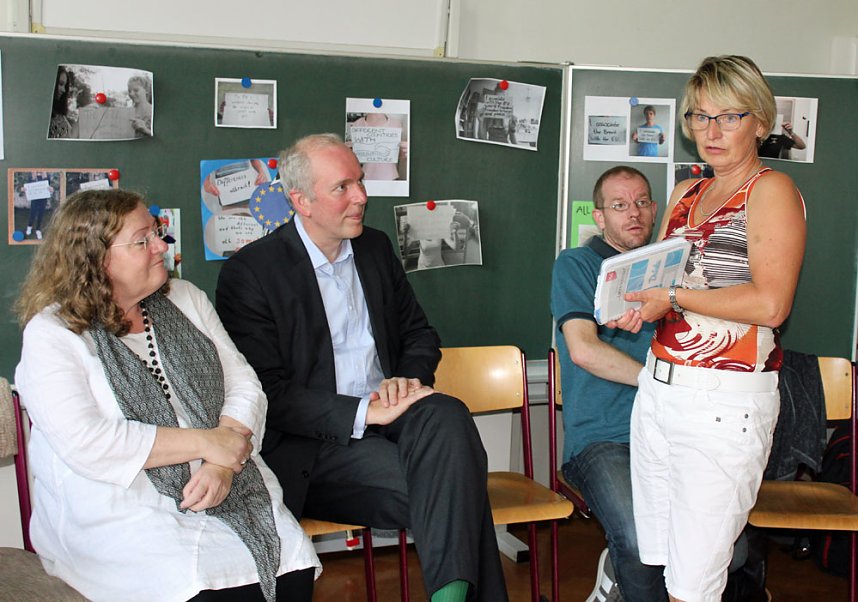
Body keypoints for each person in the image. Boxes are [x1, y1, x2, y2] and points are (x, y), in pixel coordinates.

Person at [216, 133, 508, 602]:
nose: (362, 197)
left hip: (395, 417)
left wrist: (404, 382)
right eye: (343, 187)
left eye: (361, 182)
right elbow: (267, 392)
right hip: (316, 446)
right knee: (457, 493)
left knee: (446, 412)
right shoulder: (250, 274)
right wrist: (362, 413)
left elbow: (419, 335)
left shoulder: (373, 248)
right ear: (301, 201)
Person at [15, 188, 319, 602]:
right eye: (143, 240)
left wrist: (223, 465)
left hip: (227, 479)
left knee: (292, 568)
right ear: (95, 258)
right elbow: (89, 442)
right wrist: (211, 443)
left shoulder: (187, 298)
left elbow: (245, 385)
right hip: (118, 506)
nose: (162, 245)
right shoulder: (53, 334)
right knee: (201, 588)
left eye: (157, 232)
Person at [611, 55, 806, 602]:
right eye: (699, 117)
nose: (710, 131)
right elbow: (670, 287)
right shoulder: (686, 193)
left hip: (723, 403)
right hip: (658, 390)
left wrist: (670, 296)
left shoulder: (771, 191)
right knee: (667, 563)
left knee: (694, 586)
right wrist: (641, 305)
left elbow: (771, 305)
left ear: (761, 122)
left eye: (728, 117)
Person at [551, 166, 667, 602]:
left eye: (641, 203)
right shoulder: (578, 265)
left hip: (671, 432)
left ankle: (617, 581)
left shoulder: (669, 270)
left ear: (654, 210)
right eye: (619, 205)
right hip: (603, 440)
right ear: (599, 217)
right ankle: (622, 570)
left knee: (731, 550)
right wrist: (659, 382)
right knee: (639, 544)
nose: (633, 214)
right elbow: (583, 349)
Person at [347, 112, 408, 180]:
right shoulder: (357, 124)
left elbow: (397, 154)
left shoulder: (396, 124)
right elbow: (356, 157)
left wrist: (405, 152)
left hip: (390, 177)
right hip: (365, 177)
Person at [48, 66, 78, 139]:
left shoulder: (60, 114)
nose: (64, 90)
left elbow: (71, 136)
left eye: (65, 86)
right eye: (60, 84)